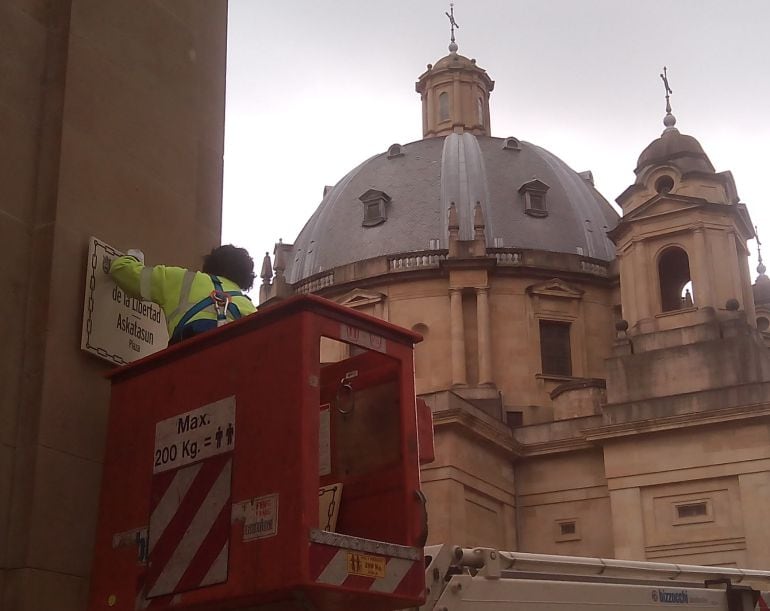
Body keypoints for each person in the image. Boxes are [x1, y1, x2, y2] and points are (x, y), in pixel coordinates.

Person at [110, 244, 257, 345]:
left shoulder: (184, 280)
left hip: (184, 367)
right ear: (246, 280)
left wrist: (134, 258)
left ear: (210, 265)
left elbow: (121, 269)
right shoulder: (250, 308)